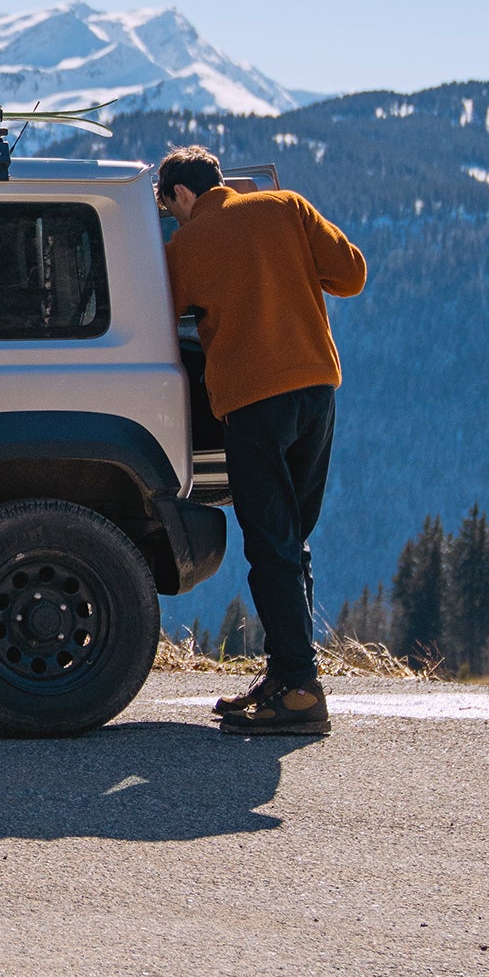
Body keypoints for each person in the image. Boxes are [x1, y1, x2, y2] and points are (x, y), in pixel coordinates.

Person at [157, 145, 367, 735]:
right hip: (317, 391)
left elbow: (159, 321)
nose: (174, 219)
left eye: (169, 208)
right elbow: (351, 274)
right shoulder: (287, 207)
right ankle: (288, 675)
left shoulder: (186, 246)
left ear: (181, 194)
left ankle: (299, 691)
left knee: (271, 542)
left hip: (253, 402)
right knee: (292, 538)